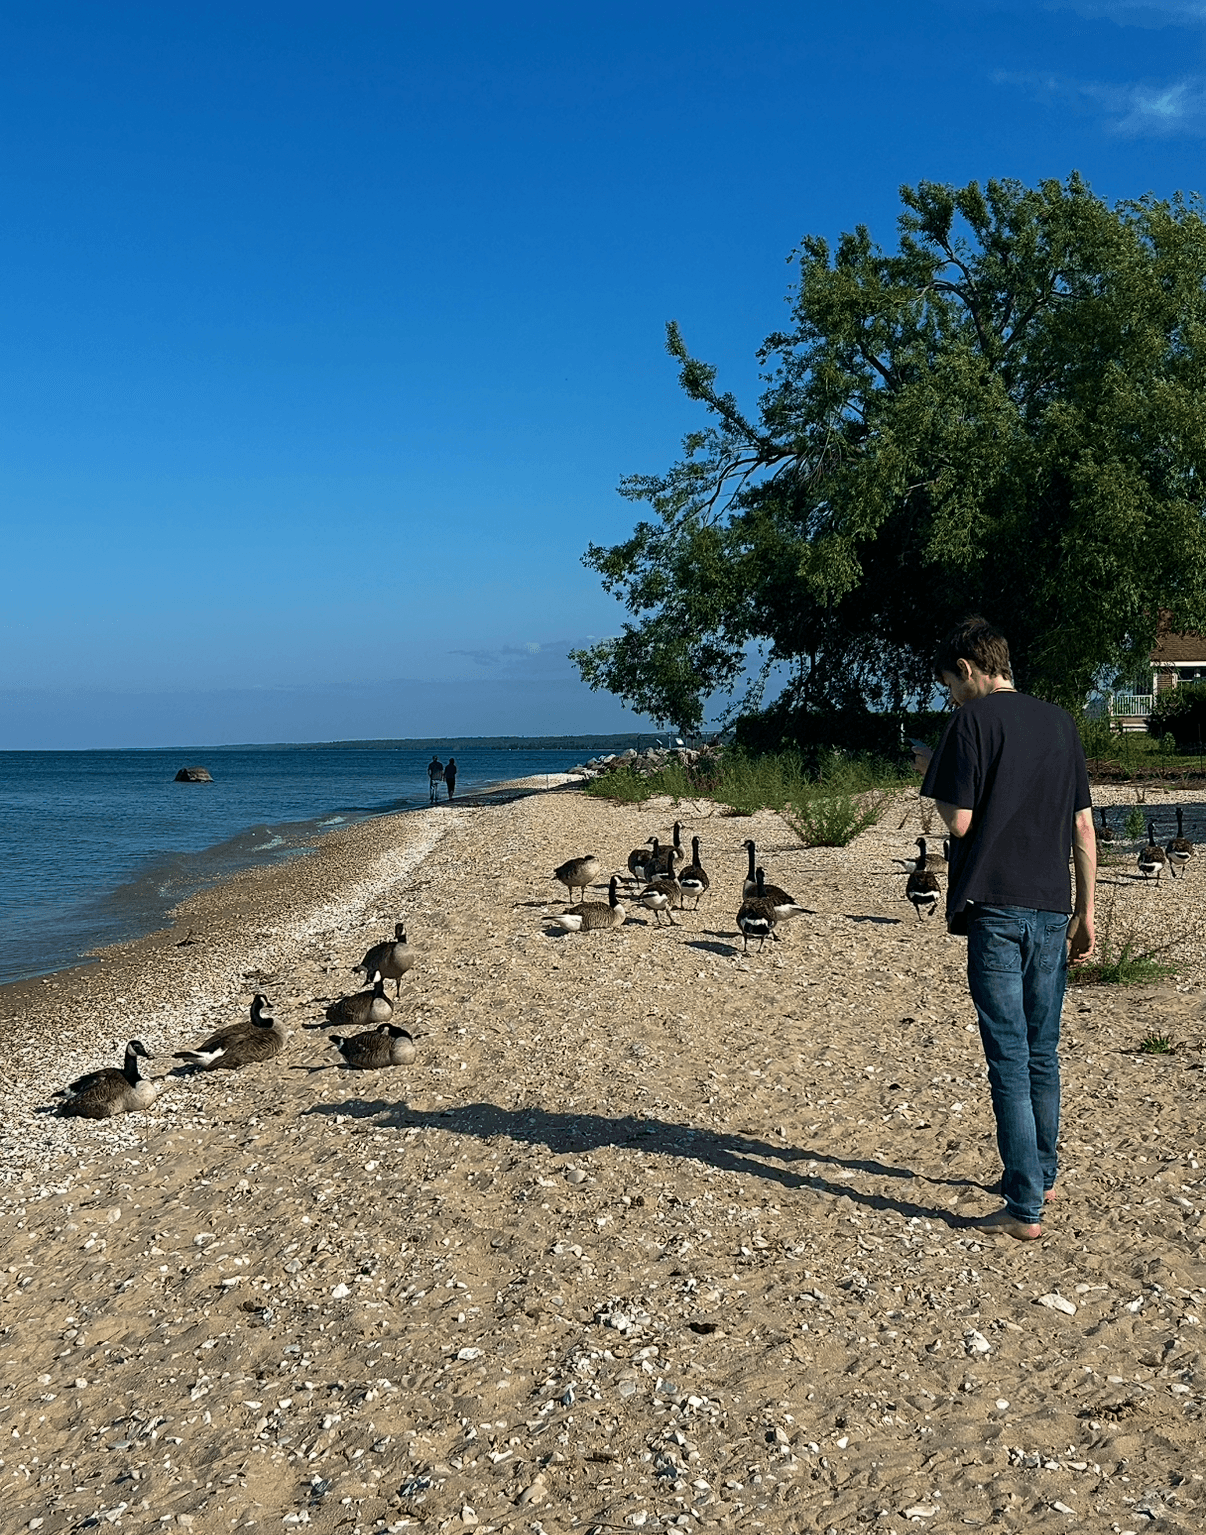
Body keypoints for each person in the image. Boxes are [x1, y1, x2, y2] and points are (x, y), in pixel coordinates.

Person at [915, 616, 1095, 1242]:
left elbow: (960, 822)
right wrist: (1087, 912)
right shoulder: (1062, 723)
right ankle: (1041, 1176)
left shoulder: (970, 722)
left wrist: (934, 770)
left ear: (967, 669)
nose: (951, 698)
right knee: (1043, 1051)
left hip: (995, 907)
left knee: (1010, 1059)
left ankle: (1023, 1209)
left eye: (950, 685)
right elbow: (1083, 829)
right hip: (1052, 906)